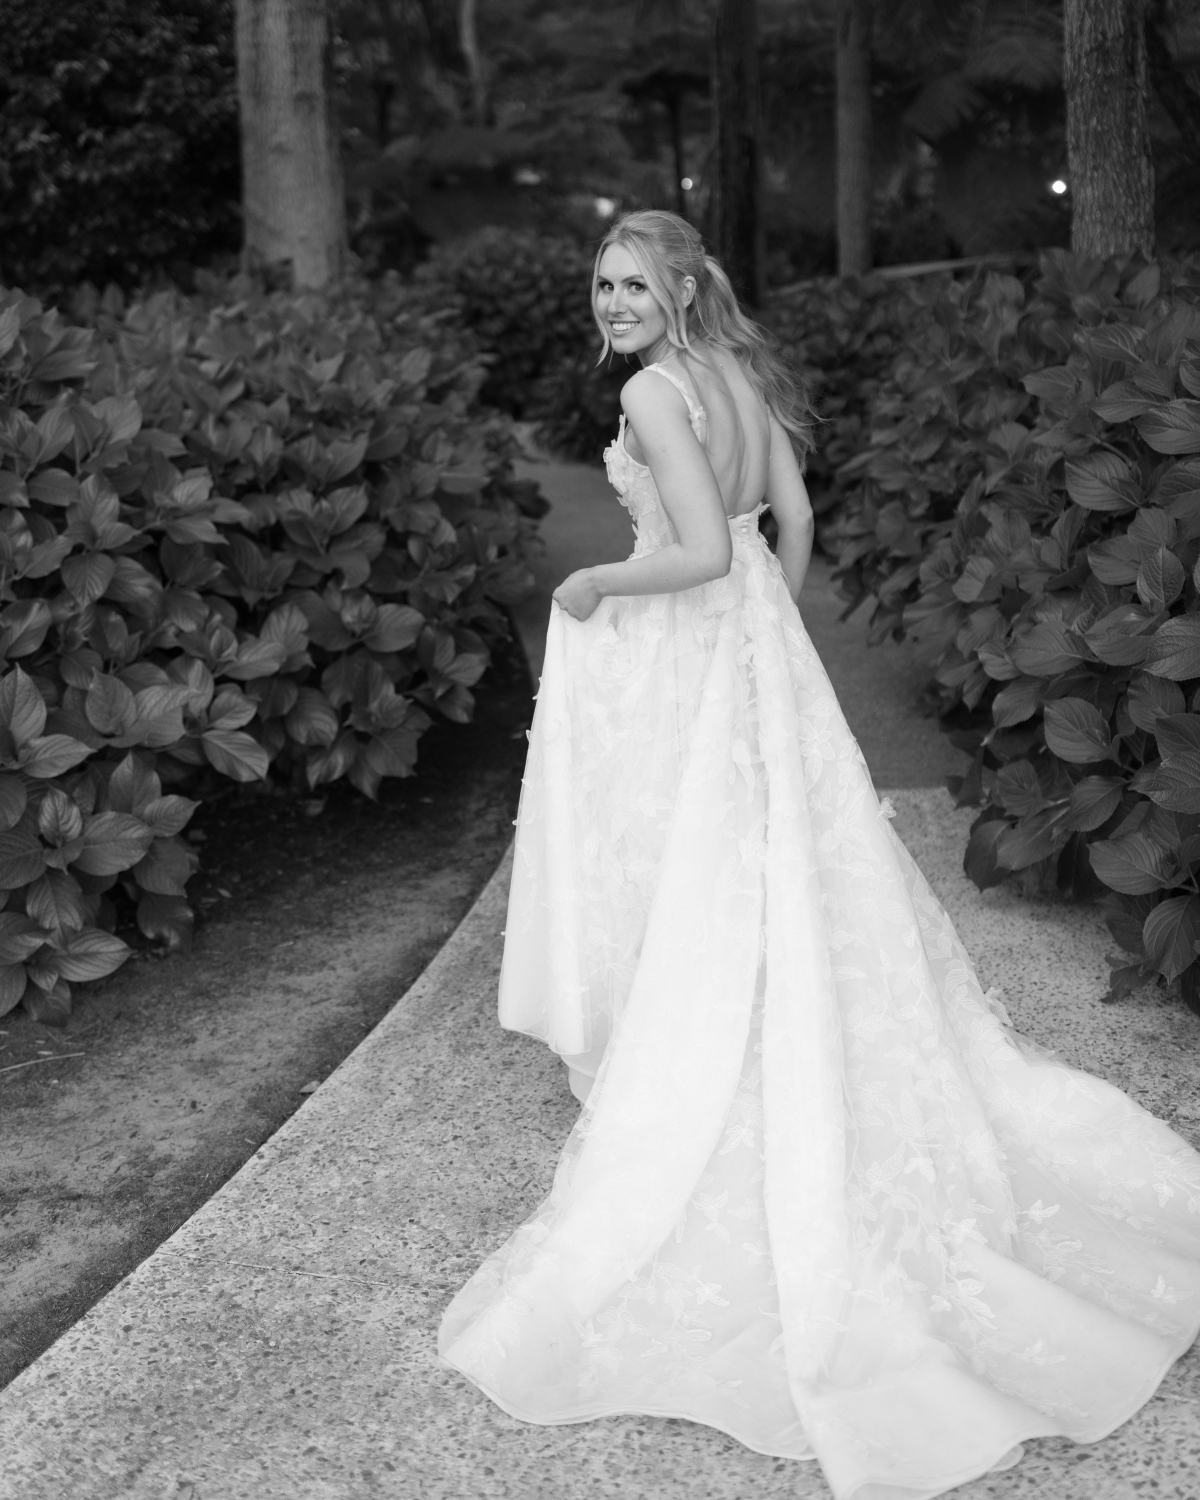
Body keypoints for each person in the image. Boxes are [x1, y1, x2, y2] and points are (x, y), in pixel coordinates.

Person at [437, 210, 1200, 1500]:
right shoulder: (740, 370)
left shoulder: (655, 393)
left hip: (688, 639)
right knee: (770, 851)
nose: (613, 304)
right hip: (748, 644)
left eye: (635, 285)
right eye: (603, 284)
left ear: (684, 289)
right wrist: (766, 622)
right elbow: (786, 520)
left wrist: (597, 586)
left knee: (703, 855)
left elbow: (687, 554)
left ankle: (710, 1042)